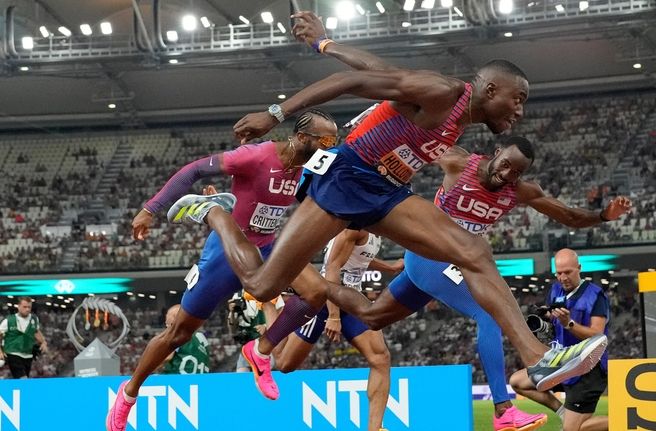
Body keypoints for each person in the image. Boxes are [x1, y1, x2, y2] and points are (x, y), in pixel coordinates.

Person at [168, 13, 605, 401]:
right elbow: (351, 84)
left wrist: (326, 43)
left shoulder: (448, 108)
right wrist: (275, 112)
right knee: (262, 286)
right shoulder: (442, 92)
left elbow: (381, 72)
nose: (521, 112)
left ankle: (539, 357)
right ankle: (214, 214)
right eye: (518, 99)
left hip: (386, 190)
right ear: (490, 89)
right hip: (345, 179)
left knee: (473, 250)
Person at [323, 137, 631, 431]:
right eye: (506, 164)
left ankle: (319, 289)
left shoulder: (520, 190)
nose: (507, 174)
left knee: (374, 317)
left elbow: (569, 215)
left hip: (448, 264)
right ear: (497, 152)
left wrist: (603, 215)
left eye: (516, 172)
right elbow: (416, 142)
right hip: (428, 256)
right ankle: (503, 410)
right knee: (488, 312)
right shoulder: (459, 163)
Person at [106, 110, 338, 431]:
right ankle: (128, 394)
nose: (330, 147)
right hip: (224, 253)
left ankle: (261, 351)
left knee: (316, 293)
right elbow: (194, 170)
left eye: (333, 141)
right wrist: (151, 209)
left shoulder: (309, 167)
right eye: (325, 140)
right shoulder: (256, 156)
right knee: (179, 333)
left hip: (268, 246)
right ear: (300, 138)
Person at [267, 229, 401, 431]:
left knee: (380, 358)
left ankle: (375, 428)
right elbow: (332, 268)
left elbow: (360, 258)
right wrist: (334, 315)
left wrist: (389, 267)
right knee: (284, 363)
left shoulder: (374, 228)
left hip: (351, 299)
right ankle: (270, 305)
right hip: (323, 300)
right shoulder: (354, 228)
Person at [509, 249, 610, 431]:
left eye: (568, 272)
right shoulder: (555, 290)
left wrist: (568, 323)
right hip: (561, 362)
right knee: (517, 381)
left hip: (588, 369)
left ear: (579, 268)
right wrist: (545, 318)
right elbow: (553, 324)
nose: (563, 277)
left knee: (574, 430)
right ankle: (563, 412)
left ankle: (625, 419)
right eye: (559, 273)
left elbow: (598, 336)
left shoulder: (595, 295)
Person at [227, 290, 282, 372]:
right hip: (247, 345)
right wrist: (231, 312)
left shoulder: (271, 290)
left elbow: (283, 316)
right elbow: (232, 329)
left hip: (266, 345)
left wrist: (266, 327)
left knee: (263, 374)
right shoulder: (238, 296)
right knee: (241, 375)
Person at [0, 297, 48, 378]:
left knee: (23, 381)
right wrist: (0, 351)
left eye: (29, 307)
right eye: (24, 307)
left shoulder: (34, 319)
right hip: (13, 353)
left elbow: (36, 331)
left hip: (28, 355)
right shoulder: (8, 321)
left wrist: (43, 342)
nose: (27, 309)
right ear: (18, 306)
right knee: (23, 379)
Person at [159, 305, 210, 374]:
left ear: (176, 318)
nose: (166, 323)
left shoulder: (177, 333)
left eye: (167, 318)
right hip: (200, 381)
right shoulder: (201, 338)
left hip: (177, 380)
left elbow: (167, 357)